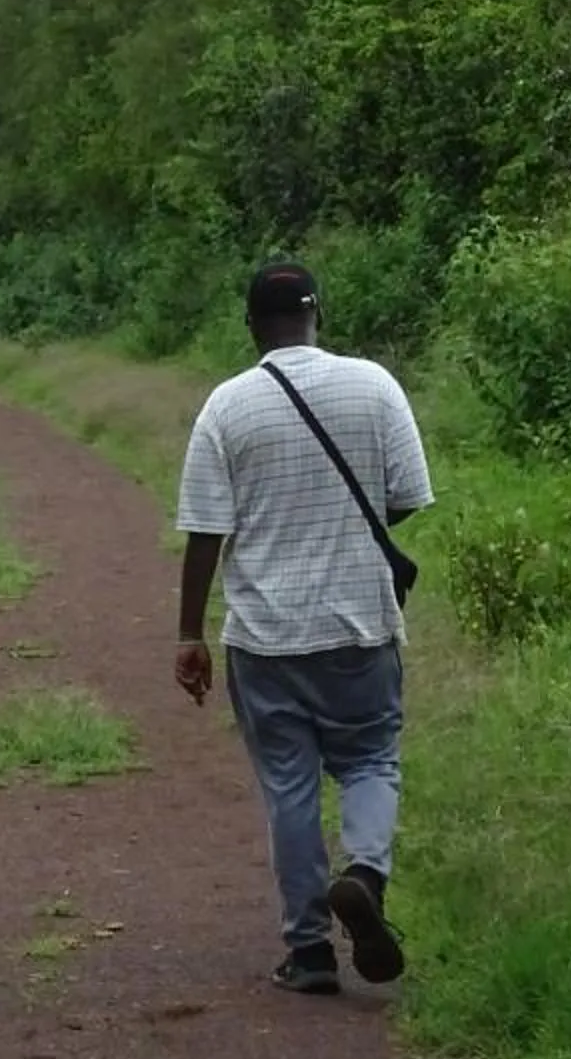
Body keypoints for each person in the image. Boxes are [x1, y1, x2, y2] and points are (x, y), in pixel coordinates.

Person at [173, 260, 433, 994]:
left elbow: (202, 531)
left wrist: (188, 634)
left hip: (264, 635)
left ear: (252, 324)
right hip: (359, 624)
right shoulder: (376, 385)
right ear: (318, 316)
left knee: (288, 786)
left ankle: (311, 951)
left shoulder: (226, 406)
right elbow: (406, 497)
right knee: (371, 759)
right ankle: (367, 877)